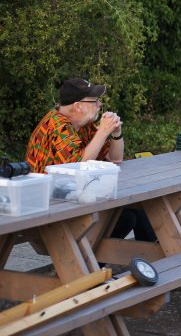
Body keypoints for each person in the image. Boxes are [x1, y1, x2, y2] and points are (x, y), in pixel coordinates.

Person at [26, 78, 156, 241]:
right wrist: (103, 131)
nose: (99, 105)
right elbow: (78, 164)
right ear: (77, 106)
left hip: (70, 197)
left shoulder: (83, 124)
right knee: (126, 216)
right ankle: (88, 263)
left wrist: (116, 132)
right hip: (48, 207)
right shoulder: (57, 126)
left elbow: (115, 158)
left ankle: (154, 255)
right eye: (94, 101)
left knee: (135, 208)